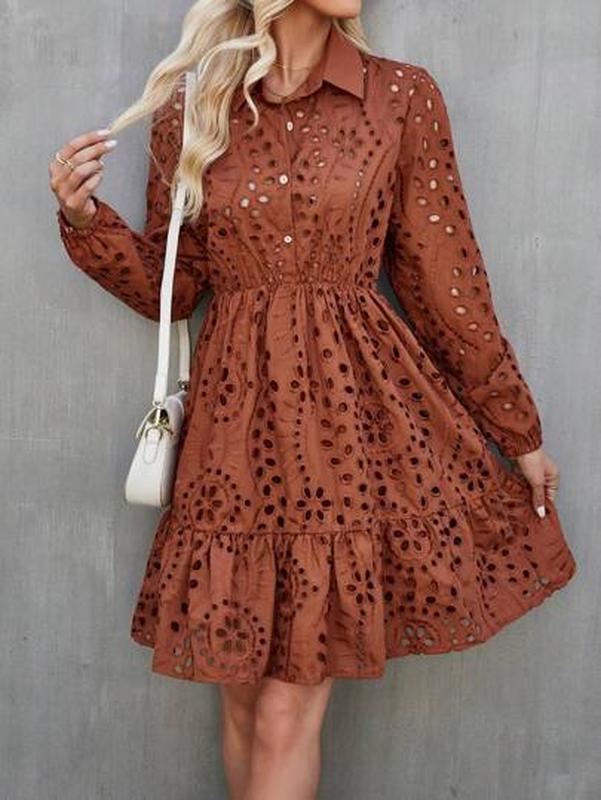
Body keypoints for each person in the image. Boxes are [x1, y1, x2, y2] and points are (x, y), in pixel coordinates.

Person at [48, 1, 578, 798]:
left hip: (346, 428)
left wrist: (519, 432)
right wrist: (85, 218)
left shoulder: (400, 96)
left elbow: (447, 288)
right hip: (231, 440)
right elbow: (176, 287)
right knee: (240, 699)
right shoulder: (197, 104)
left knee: (284, 710)